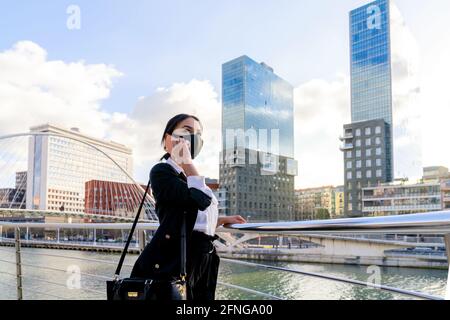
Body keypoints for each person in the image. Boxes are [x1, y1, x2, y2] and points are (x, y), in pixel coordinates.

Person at [130, 114, 246, 300]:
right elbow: (201, 200)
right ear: (168, 139)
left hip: (203, 257)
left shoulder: (189, 176)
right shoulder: (162, 172)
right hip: (179, 257)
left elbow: (195, 218)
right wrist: (188, 162)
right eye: (187, 131)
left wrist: (223, 220)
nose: (193, 138)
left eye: (198, 133)